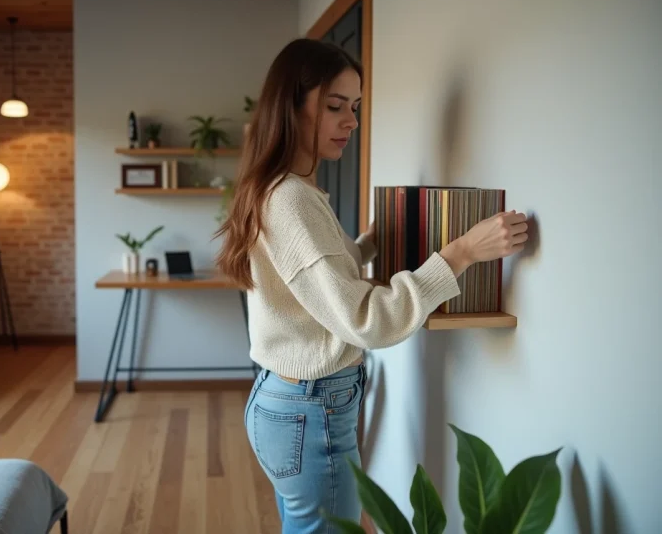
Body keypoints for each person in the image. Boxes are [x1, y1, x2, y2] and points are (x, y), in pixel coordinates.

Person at [214, 38, 528, 532]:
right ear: (290, 107)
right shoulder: (292, 199)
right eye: (335, 106)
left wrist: (376, 240)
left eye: (356, 107)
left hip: (290, 403)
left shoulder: (282, 188)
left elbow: (320, 282)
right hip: (310, 411)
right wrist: (462, 252)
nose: (352, 122)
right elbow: (366, 320)